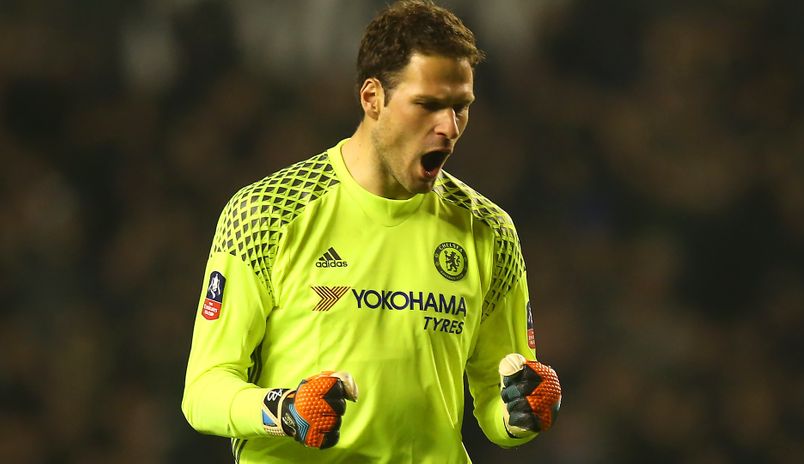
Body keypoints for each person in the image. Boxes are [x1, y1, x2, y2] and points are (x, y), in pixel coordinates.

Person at [181, 1, 562, 462]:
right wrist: (282, 410)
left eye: (461, 108)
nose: (450, 127)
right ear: (372, 98)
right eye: (428, 105)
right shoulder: (267, 213)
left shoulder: (489, 231)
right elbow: (203, 391)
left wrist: (525, 413)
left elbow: (497, 406)